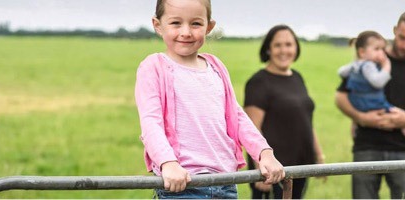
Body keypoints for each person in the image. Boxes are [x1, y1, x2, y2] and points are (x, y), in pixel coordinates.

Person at [134, 0, 285, 198]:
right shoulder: (154, 67)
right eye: (175, 23)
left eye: (196, 23)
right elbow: (151, 123)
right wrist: (167, 163)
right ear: (157, 25)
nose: (186, 32)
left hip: (226, 183)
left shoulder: (216, 66)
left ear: (209, 27)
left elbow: (236, 116)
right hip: (182, 184)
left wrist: (264, 152)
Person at [335, 11, 405, 199]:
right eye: (402, 38)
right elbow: (340, 97)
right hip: (366, 147)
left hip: (404, 152)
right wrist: (361, 118)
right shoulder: (370, 61)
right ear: (394, 30)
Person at [244, 25, 326, 199]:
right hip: (272, 170)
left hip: (300, 166)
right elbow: (252, 129)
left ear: (296, 48)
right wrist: (260, 168)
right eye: (278, 45)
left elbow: (306, 120)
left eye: (288, 45)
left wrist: (319, 155)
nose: (284, 50)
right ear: (268, 49)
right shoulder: (258, 82)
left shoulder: (297, 77)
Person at [337, 30, 405, 153]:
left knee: (357, 121)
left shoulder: (355, 65)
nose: (382, 52)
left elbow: (341, 72)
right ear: (362, 52)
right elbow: (378, 82)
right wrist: (386, 66)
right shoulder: (369, 66)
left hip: (358, 103)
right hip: (374, 103)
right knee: (398, 114)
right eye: (377, 49)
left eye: (382, 49)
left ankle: (355, 134)